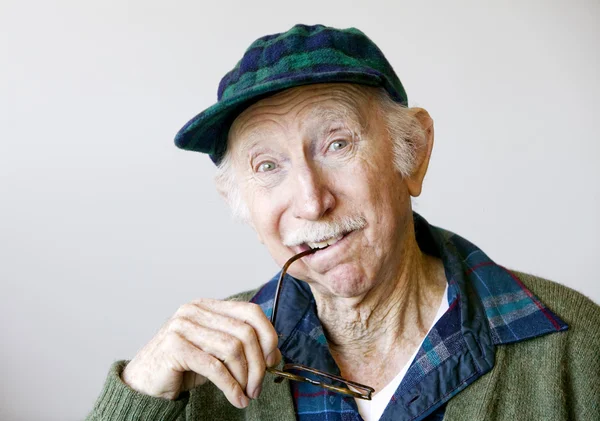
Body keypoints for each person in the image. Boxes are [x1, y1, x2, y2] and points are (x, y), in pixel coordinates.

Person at [86, 24, 600, 421]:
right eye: (268, 166)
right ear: (238, 199)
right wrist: (139, 394)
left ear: (413, 153)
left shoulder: (575, 349)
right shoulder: (200, 375)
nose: (311, 201)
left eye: (337, 144)